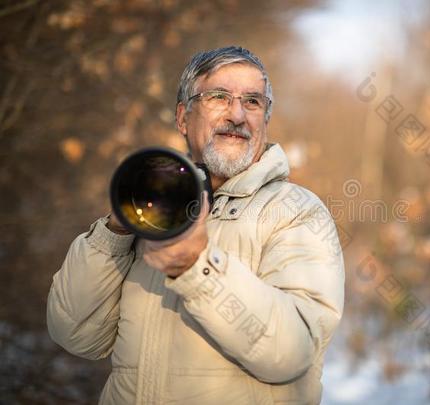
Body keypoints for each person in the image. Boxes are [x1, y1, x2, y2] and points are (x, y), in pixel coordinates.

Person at [46, 46, 345, 404]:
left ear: (265, 120)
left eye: (253, 102)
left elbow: (292, 353)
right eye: (219, 97)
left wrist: (197, 267)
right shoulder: (155, 205)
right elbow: (75, 333)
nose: (237, 114)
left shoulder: (296, 211)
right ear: (184, 117)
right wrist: (117, 229)